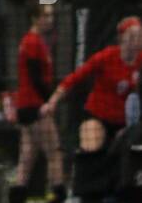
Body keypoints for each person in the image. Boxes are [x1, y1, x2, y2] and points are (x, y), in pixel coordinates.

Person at [41, 15, 142, 152]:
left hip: (125, 124)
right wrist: (53, 101)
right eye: (131, 37)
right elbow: (74, 78)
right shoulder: (106, 57)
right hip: (98, 116)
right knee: (91, 148)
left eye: (139, 37)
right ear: (121, 38)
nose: (136, 42)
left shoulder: (140, 60)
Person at [10, 3, 65, 203]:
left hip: (25, 107)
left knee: (27, 156)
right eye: (46, 15)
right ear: (35, 17)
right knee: (55, 152)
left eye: (51, 15)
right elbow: (35, 77)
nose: (50, 19)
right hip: (35, 106)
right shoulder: (32, 42)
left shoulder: (31, 41)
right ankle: (58, 200)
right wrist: (47, 102)